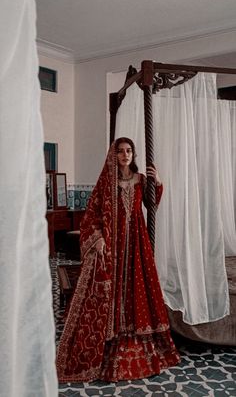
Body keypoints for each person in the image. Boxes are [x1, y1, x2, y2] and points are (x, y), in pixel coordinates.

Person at [56, 137, 180, 382]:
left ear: (133, 155)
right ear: (114, 155)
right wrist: (97, 237)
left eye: (129, 151)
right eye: (121, 151)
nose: (125, 155)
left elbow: (151, 205)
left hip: (136, 242)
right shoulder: (106, 183)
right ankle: (110, 334)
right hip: (112, 244)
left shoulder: (140, 180)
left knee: (137, 285)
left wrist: (159, 183)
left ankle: (134, 334)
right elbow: (91, 214)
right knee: (112, 288)